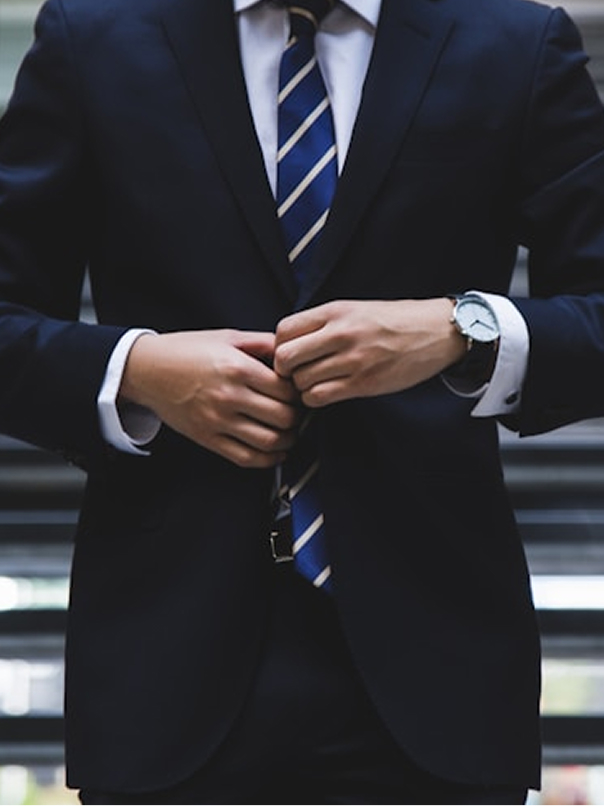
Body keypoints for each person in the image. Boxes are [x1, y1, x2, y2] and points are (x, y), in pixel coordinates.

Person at [2, 0, 604, 802]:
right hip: (165, 666)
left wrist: (464, 329)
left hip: (438, 671)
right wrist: (138, 369)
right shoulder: (93, 37)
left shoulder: (518, 42)